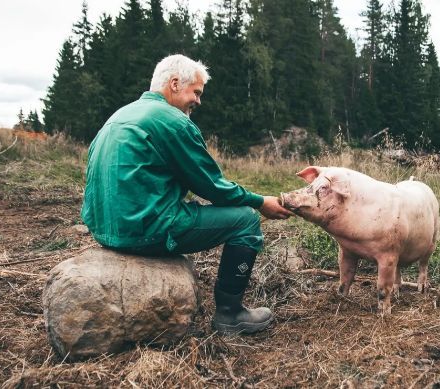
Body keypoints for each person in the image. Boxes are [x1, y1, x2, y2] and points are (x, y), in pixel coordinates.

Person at [81, 54, 292, 335]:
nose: (198, 101)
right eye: (196, 92)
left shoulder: (118, 116)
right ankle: (231, 314)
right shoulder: (172, 121)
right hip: (145, 230)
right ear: (175, 83)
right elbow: (213, 187)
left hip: (105, 231)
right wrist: (260, 202)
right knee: (245, 220)